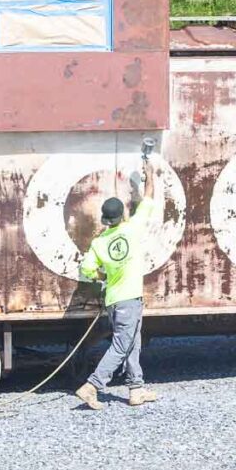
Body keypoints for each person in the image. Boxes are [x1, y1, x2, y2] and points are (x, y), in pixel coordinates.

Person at [74, 158, 159, 410]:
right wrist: (150, 175)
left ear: (104, 219)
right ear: (122, 215)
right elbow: (149, 200)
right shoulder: (132, 229)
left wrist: (104, 277)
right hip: (130, 298)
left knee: (133, 342)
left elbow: (86, 269)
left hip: (113, 299)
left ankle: (136, 389)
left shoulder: (99, 243)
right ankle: (92, 386)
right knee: (122, 345)